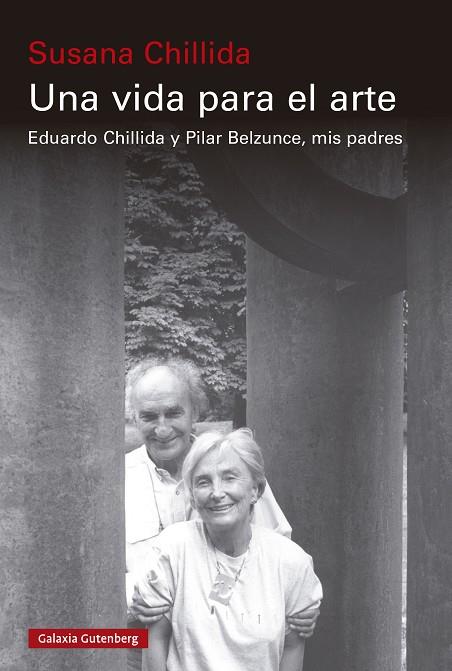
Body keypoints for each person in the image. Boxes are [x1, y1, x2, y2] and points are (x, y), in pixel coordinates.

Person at [125, 358, 319, 669]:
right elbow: (98, 581)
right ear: (134, 419)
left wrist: (298, 608)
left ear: (195, 412)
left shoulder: (236, 468)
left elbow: (279, 563)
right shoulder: (117, 480)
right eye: (148, 416)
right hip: (138, 644)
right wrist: (139, 597)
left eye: (173, 413)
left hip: (233, 642)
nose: (162, 428)